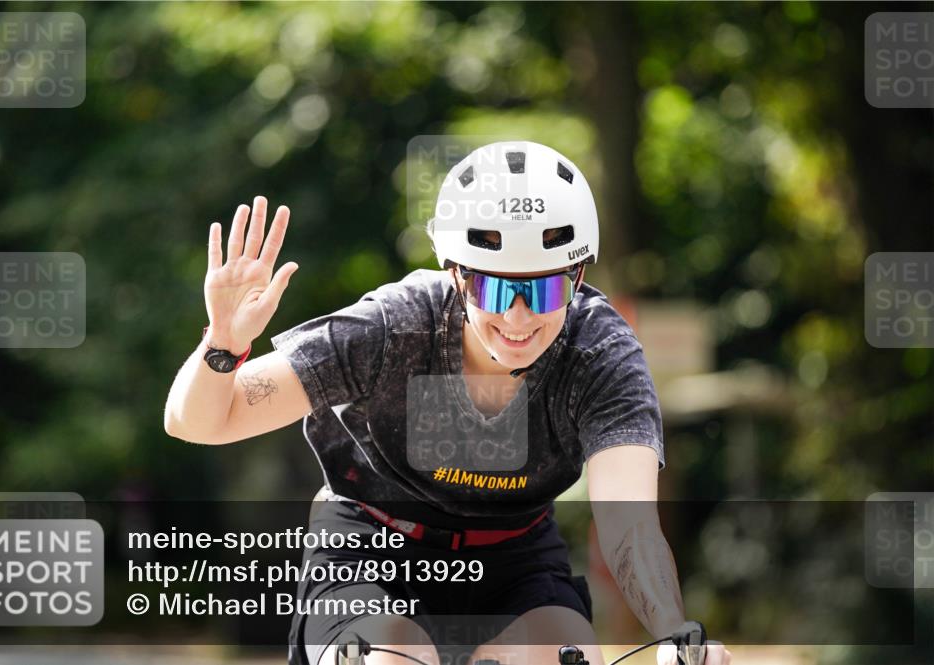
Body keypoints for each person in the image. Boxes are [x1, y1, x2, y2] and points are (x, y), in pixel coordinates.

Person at [164, 141, 732, 665]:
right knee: (390, 654)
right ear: (457, 275)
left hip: (514, 557)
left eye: (544, 288)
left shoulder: (599, 353)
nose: (518, 316)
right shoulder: (392, 328)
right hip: (370, 547)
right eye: (494, 286)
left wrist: (674, 633)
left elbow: (629, 521)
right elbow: (199, 423)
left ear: (578, 277)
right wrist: (224, 344)